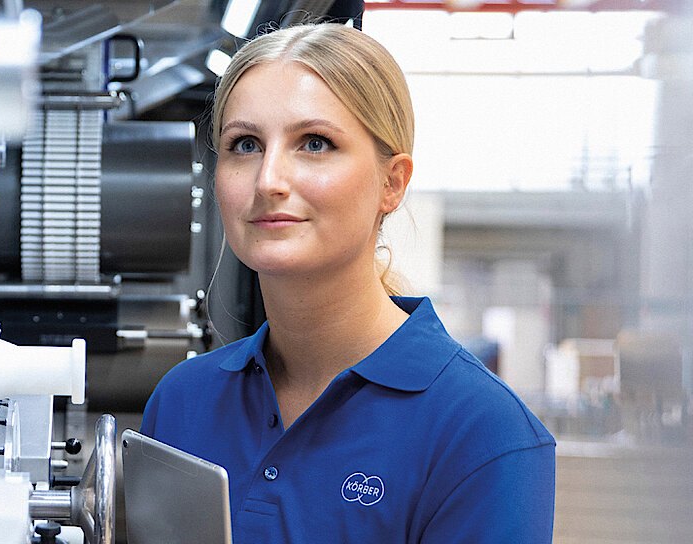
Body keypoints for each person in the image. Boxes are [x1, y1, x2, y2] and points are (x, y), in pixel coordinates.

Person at [141, 23, 556, 542]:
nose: (269, 180)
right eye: (244, 144)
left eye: (314, 143)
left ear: (392, 182)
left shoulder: (481, 431)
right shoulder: (182, 402)